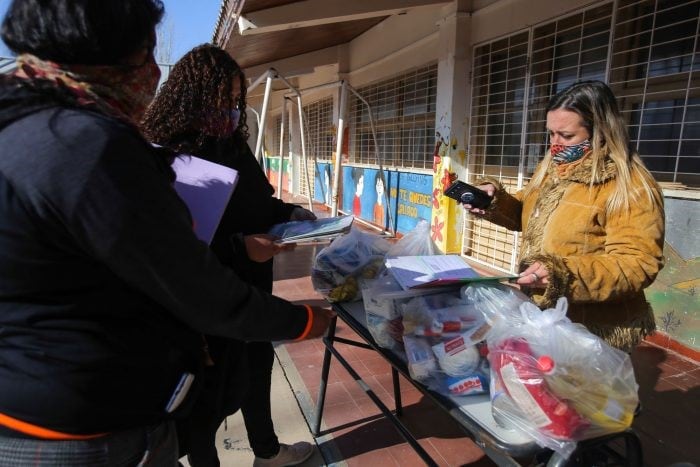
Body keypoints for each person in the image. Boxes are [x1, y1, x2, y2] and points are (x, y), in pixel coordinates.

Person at [0, 2, 332, 466]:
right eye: (145, 55)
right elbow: (193, 282)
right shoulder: (89, 145)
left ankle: (265, 449)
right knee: (203, 424)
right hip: (86, 426)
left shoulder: (19, 123)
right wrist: (306, 320)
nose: (153, 72)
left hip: (40, 399)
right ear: (110, 57)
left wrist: (289, 214)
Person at [141, 44, 318, 467]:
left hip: (252, 286)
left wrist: (290, 213)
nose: (229, 108)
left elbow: (257, 204)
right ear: (191, 95)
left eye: (235, 98)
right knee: (206, 398)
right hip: (202, 299)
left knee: (258, 366)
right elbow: (166, 245)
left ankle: (267, 451)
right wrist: (239, 247)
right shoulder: (164, 154)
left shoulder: (232, 143)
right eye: (220, 97)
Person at [463, 80, 665, 352]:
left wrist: (561, 274)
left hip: (590, 329)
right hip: (546, 317)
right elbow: (529, 211)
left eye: (566, 136)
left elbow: (637, 264)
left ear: (600, 132)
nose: (555, 145)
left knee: (586, 395)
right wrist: (493, 201)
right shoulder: (555, 169)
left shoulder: (630, 187)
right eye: (551, 134)